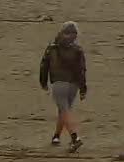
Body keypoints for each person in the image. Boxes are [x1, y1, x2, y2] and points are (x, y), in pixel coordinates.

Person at [38, 21, 89, 152]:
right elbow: (82, 70)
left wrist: (43, 82)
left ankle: (75, 138)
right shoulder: (78, 50)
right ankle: (56, 136)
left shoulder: (52, 48)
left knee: (64, 110)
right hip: (73, 85)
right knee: (64, 110)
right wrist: (83, 88)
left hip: (59, 83)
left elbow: (44, 65)